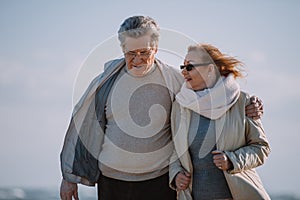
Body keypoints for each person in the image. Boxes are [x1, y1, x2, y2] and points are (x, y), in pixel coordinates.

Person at [59, 16, 263, 200]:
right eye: (130, 53)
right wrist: (69, 177)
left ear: (156, 48)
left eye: (144, 52)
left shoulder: (175, 80)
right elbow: (83, 127)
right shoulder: (104, 83)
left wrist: (249, 104)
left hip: (159, 181)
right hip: (112, 182)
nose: (137, 59)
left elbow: (212, 96)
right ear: (122, 50)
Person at [169, 44, 270, 200]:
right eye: (183, 66)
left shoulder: (243, 101)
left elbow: (261, 148)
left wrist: (232, 160)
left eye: (189, 66)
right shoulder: (180, 105)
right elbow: (175, 149)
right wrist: (176, 174)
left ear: (210, 69)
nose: (183, 71)